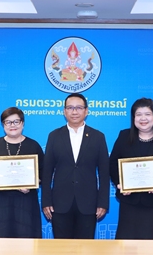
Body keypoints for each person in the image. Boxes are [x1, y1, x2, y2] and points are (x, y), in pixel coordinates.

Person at [109, 98, 153, 240]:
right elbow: (113, 164)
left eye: (147, 114)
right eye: (138, 114)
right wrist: (120, 183)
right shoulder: (124, 136)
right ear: (133, 118)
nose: (143, 118)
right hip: (130, 202)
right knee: (127, 246)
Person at [41, 93, 109, 239]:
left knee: (85, 248)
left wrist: (103, 203)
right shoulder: (54, 136)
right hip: (59, 204)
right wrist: (46, 201)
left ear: (86, 111)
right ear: (64, 111)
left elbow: (104, 173)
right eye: (70, 108)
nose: (74, 112)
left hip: (88, 204)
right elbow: (47, 172)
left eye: (79, 108)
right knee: (61, 248)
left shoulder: (98, 137)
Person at [0, 107, 44, 238]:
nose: (12, 125)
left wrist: (32, 184)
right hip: (0, 201)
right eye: (8, 122)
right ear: (3, 125)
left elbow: (43, 173)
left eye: (16, 121)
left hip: (26, 201)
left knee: (26, 238)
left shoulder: (33, 145)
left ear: (22, 123)